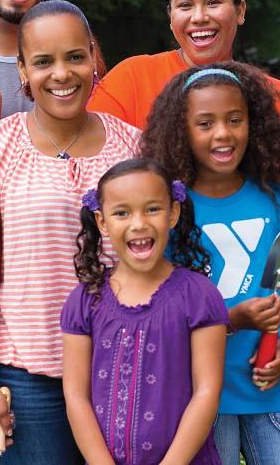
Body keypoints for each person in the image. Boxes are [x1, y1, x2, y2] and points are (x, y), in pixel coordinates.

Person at [0, 0, 142, 463]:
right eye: (43, 61)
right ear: (23, 69)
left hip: (124, 367)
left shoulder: (134, 147)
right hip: (28, 375)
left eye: (75, 57)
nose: (62, 74)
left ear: (94, 57)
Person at [142, 62, 280, 465]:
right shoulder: (172, 213)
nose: (223, 133)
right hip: (200, 399)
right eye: (205, 123)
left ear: (254, 125)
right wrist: (232, 320)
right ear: (181, 132)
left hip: (273, 392)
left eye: (234, 120)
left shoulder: (277, 203)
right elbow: (161, 314)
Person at [85, 0, 280, 229]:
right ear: (170, 17)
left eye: (213, 2)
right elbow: (91, 179)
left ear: (241, 10)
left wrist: (275, 167)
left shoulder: (275, 97)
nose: (199, 17)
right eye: (185, 5)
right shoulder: (130, 80)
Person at [61, 158, 227, 464]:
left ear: (173, 213)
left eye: (152, 208)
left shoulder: (199, 296)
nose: (138, 223)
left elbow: (206, 392)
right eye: (122, 212)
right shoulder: (84, 301)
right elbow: (76, 396)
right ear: (102, 222)